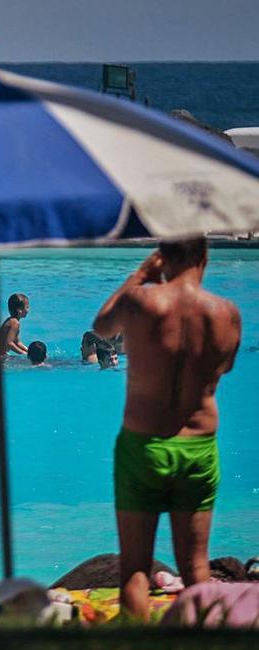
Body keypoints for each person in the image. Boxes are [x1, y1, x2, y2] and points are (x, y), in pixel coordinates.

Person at [91, 238, 241, 620]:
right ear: (204, 256)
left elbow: (102, 327)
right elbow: (224, 367)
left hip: (144, 445)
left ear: (163, 256)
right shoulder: (226, 313)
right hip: (199, 447)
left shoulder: (142, 301)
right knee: (195, 568)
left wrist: (140, 276)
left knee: (135, 569)